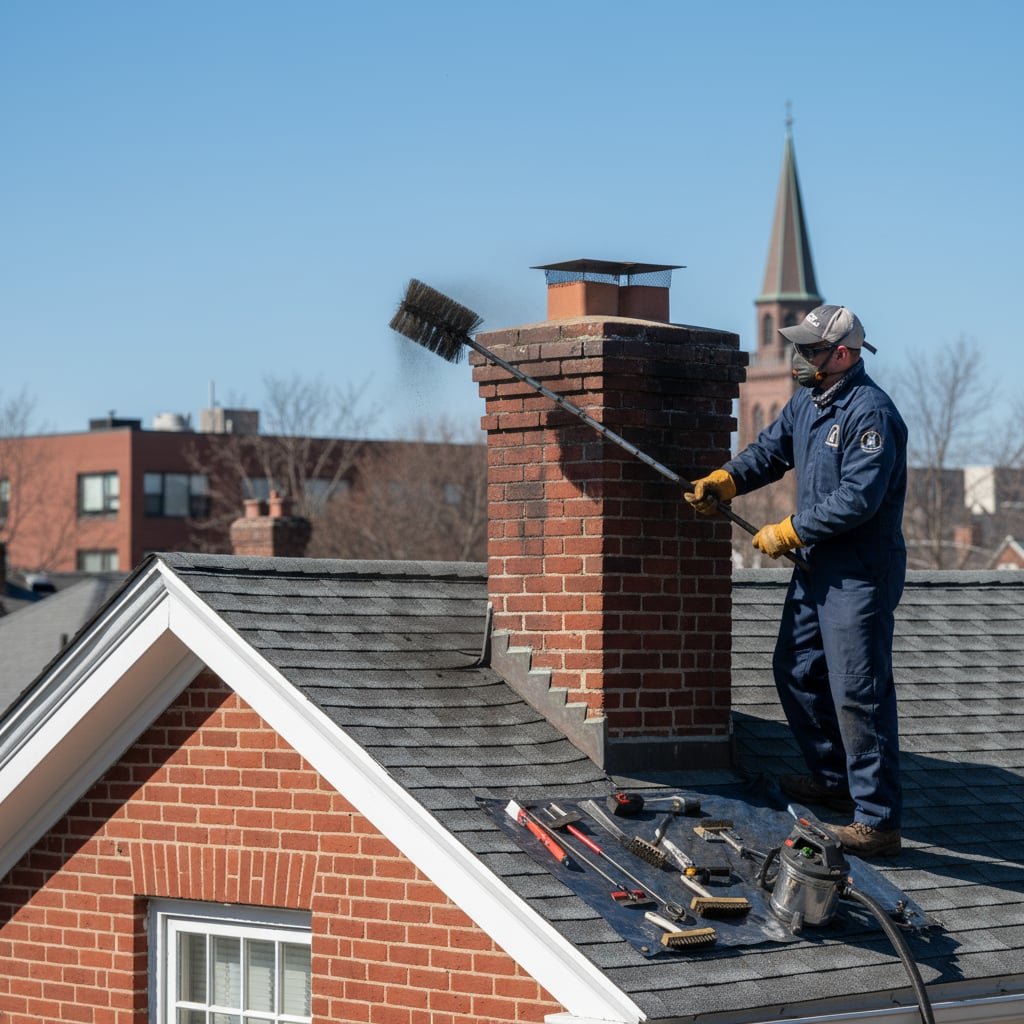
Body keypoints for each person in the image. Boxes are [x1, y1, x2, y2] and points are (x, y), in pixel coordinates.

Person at [686, 305, 907, 858]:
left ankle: (877, 820)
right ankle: (833, 779)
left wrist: (791, 529)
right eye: (799, 347)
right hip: (817, 568)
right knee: (797, 668)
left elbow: (858, 498)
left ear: (842, 354)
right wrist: (726, 480)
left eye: (810, 349)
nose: (799, 357)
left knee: (857, 689)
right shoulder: (809, 401)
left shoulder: (871, 413)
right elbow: (770, 451)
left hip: (859, 573)